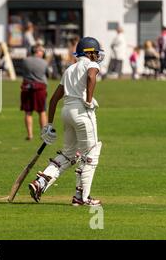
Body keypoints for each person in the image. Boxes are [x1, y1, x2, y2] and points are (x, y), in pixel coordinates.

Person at [28, 37, 104, 206]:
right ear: (89, 53)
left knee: (69, 154)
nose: (97, 56)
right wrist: (89, 100)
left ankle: (40, 182)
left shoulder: (69, 69)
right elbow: (92, 77)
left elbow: (54, 99)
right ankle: (82, 197)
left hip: (66, 111)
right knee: (90, 154)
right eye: (95, 53)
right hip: (82, 111)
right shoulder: (91, 64)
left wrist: (49, 125)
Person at [20, 43, 48, 141]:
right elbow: (48, 73)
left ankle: (30, 135)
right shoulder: (44, 62)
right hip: (40, 88)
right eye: (42, 51)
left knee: (28, 112)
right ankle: (43, 134)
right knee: (42, 112)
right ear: (38, 51)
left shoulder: (25, 61)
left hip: (27, 88)